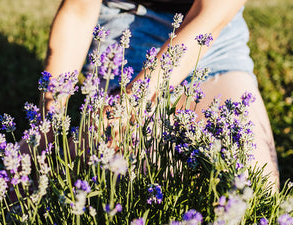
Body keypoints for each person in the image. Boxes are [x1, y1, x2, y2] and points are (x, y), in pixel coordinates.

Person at [41, 0, 280, 190]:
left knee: (250, 184)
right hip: (126, 30)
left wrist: (132, 104)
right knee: (150, 177)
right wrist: (50, 118)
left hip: (211, 34)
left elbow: (209, 17)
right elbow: (78, 11)